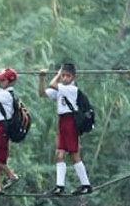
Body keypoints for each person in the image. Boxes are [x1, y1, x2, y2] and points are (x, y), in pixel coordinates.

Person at [38, 63, 92, 195]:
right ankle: (59, 186)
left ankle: (86, 185)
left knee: (74, 155)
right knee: (59, 154)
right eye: (63, 75)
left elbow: (52, 84)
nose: (64, 78)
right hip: (62, 121)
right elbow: (42, 93)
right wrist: (41, 78)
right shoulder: (61, 89)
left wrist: (57, 74)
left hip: (70, 122)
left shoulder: (72, 89)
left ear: (74, 77)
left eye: (68, 76)